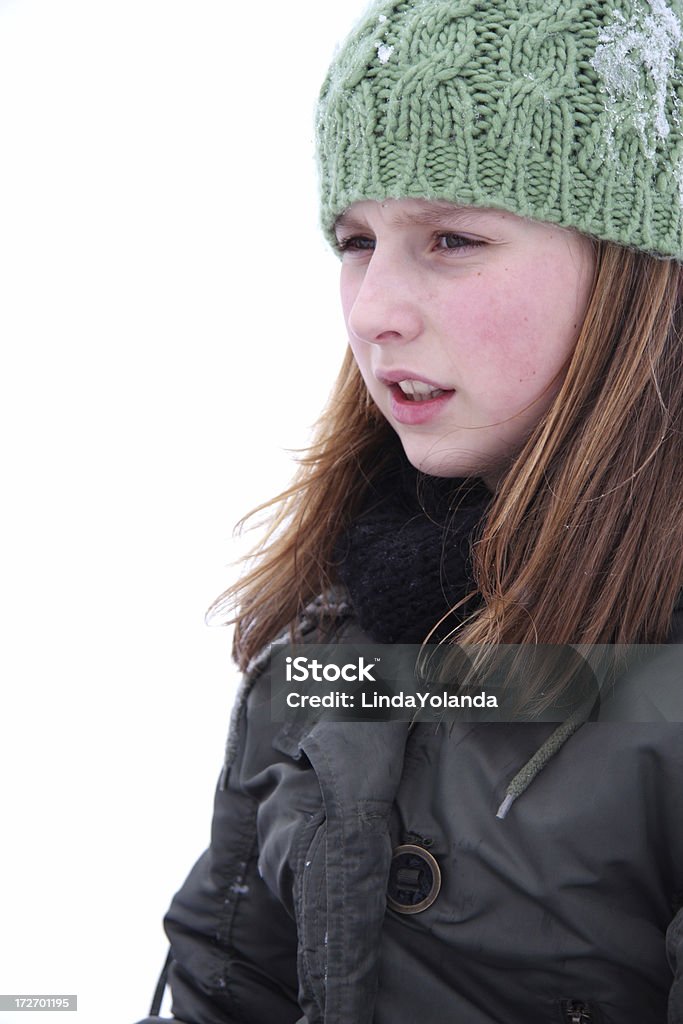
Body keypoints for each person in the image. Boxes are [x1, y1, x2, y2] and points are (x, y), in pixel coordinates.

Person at [135, 0, 683, 1021]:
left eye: (450, 237)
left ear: (633, 271)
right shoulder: (336, 608)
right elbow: (230, 976)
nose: (372, 309)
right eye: (354, 240)